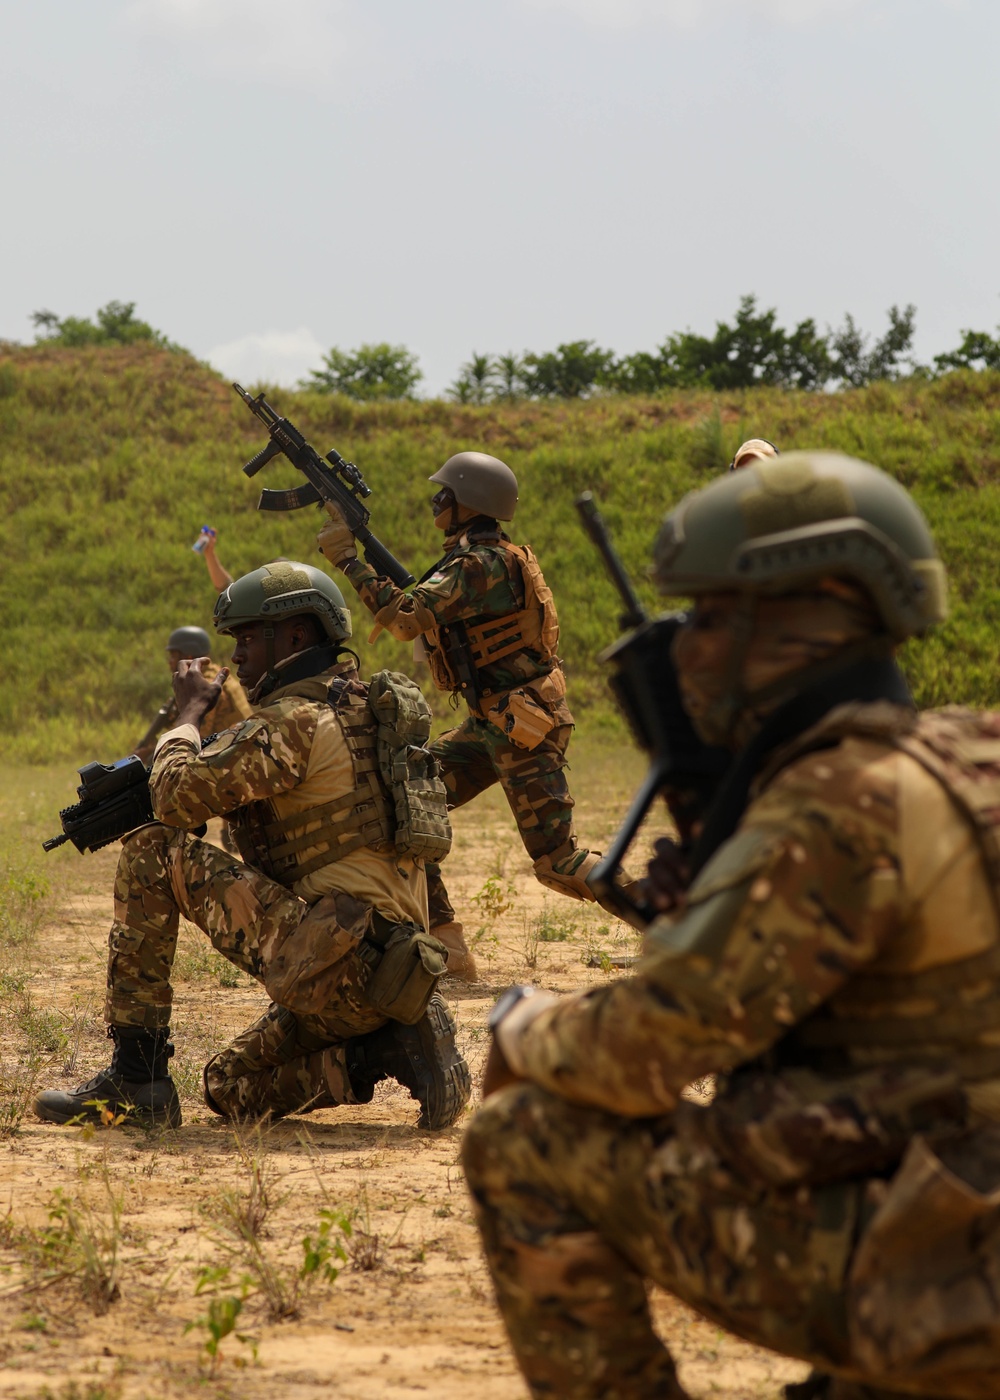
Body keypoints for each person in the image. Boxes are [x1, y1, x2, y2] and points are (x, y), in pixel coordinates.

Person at [461, 452, 1000, 1400]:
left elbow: (642, 1050)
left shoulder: (840, 799)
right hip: (963, 1207)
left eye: (709, 619)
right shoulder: (971, 756)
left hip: (955, 1285)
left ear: (799, 618)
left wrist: (520, 1023)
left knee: (523, 1136)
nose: (687, 651)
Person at [35, 562, 470, 1132]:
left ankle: (136, 1078)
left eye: (246, 638)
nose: (236, 656)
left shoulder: (296, 721)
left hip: (339, 963)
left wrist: (189, 714)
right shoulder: (363, 711)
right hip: (391, 972)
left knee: (151, 852)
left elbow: (173, 800)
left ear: (294, 635)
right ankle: (384, 1051)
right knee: (231, 1088)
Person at [317, 452, 610, 982]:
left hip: (521, 729)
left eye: (444, 495)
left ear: (467, 504)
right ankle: (449, 954)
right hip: (489, 724)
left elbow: (405, 618)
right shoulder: (475, 559)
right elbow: (419, 603)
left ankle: (670, 922)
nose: (436, 502)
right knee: (403, 807)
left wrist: (348, 560)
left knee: (557, 863)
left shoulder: (482, 565)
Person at [133, 625, 251, 763]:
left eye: (173, 655)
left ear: (187, 656)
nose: (170, 661)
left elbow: (195, 740)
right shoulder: (213, 675)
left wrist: (151, 755)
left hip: (234, 760)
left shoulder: (204, 687)